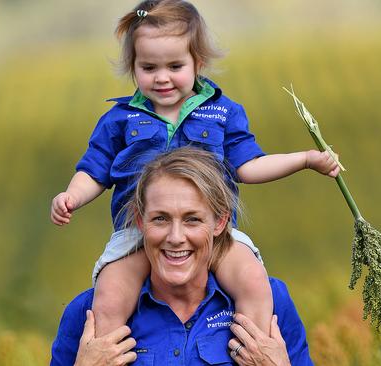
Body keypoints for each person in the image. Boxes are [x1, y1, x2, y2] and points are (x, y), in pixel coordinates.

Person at [49, 0, 340, 340]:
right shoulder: (119, 119)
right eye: (148, 67)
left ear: (197, 62)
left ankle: (256, 350)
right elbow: (94, 170)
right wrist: (72, 196)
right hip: (136, 234)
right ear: (133, 66)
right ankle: (104, 355)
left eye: (175, 66)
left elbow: (248, 165)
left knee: (253, 280)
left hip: (213, 235)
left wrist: (304, 159)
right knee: (110, 295)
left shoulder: (222, 112)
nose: (162, 78)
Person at [50, 147, 314, 365]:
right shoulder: (89, 313)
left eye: (192, 219)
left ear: (220, 222)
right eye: (160, 219)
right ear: (141, 223)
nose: (175, 237)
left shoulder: (271, 302)